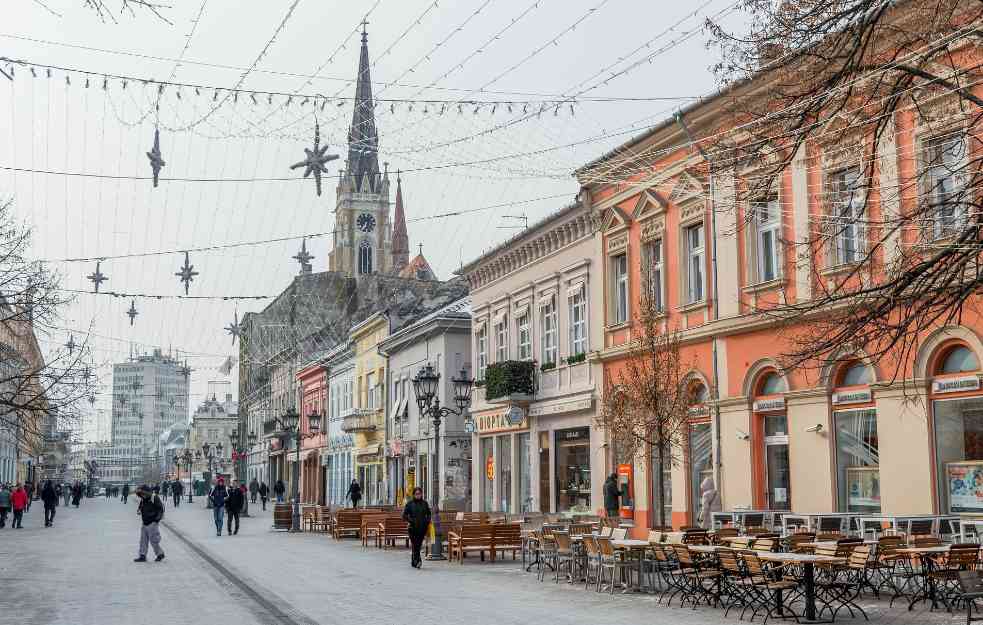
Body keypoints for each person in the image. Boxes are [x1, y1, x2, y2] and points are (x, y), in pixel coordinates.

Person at [402, 487, 432, 569]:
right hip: (412, 528)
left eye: (419, 493)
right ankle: (418, 561)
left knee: (418, 545)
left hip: (422, 528)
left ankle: (413, 562)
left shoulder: (424, 503)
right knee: (415, 545)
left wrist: (427, 521)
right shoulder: (410, 504)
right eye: (416, 494)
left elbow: (429, 514)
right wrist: (411, 520)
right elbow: (404, 515)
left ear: (421, 494)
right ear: (414, 495)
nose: (418, 495)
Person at [133, 485, 165, 562]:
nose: (142, 496)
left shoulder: (154, 497)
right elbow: (141, 506)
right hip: (145, 522)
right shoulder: (143, 499)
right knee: (143, 540)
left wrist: (156, 520)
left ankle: (160, 554)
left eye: (142, 494)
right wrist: (139, 510)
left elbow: (161, 509)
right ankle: (142, 555)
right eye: (140, 494)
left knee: (154, 540)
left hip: (152, 522)